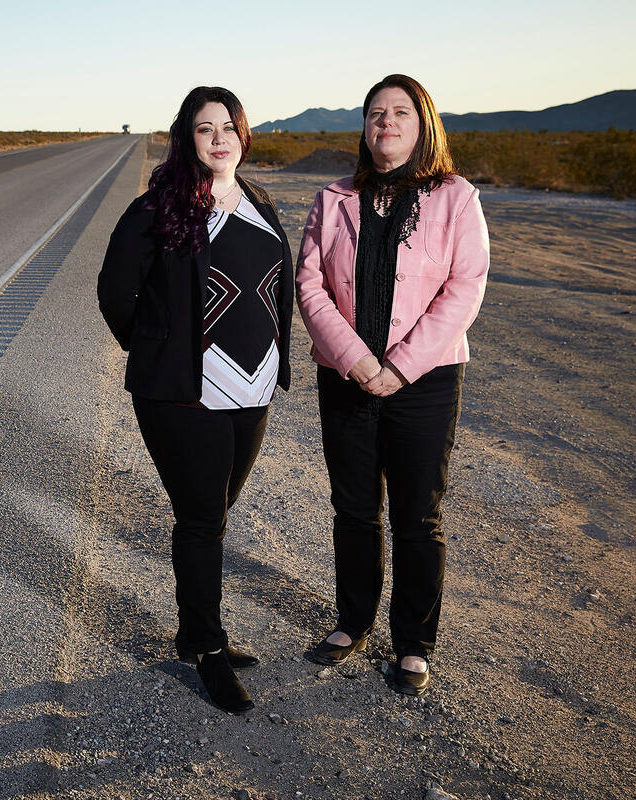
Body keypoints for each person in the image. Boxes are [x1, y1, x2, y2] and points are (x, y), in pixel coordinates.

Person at [98, 87, 294, 713]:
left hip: (253, 388)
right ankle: (208, 648)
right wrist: (161, 350)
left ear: (244, 134)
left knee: (213, 512)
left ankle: (194, 631)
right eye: (205, 128)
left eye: (228, 127)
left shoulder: (259, 201)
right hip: (184, 395)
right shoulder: (157, 208)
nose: (218, 138)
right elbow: (115, 292)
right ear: (186, 137)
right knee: (203, 518)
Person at [295, 74, 490, 695]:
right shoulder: (334, 199)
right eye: (376, 112)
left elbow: (465, 288)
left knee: (417, 515)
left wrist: (399, 367)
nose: (387, 122)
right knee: (354, 508)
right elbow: (309, 284)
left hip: (425, 380)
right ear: (365, 127)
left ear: (423, 123)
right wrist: (355, 359)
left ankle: (412, 643)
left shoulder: (456, 198)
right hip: (346, 376)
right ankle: (353, 623)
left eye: (401, 112)